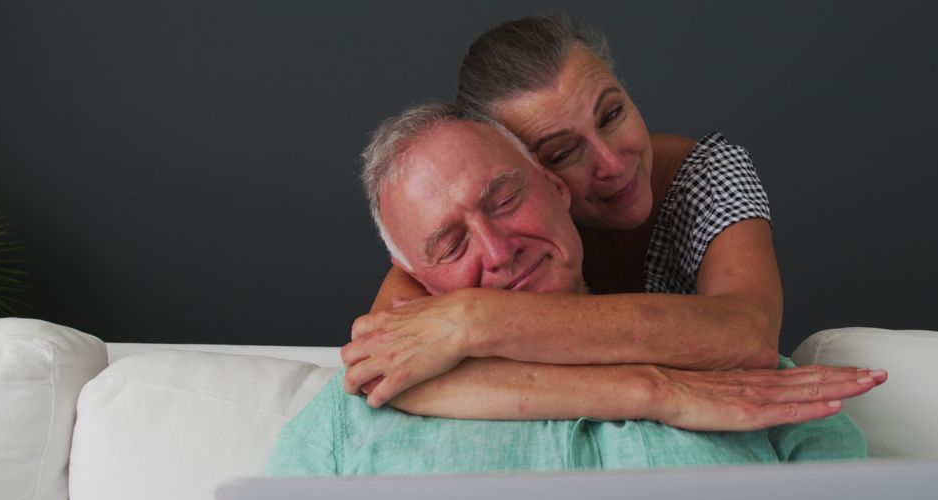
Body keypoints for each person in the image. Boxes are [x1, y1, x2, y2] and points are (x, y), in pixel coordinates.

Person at [267, 104, 883, 478]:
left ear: (558, 190)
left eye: (505, 200)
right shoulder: (346, 423)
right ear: (417, 281)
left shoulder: (753, 385)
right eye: (451, 246)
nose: (499, 251)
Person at [340, 16, 819, 430]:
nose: (612, 162)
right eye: (563, 151)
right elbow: (389, 374)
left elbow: (748, 335)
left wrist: (477, 320)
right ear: (525, 165)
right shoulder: (473, 234)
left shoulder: (708, 174)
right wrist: (645, 392)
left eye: (611, 114)